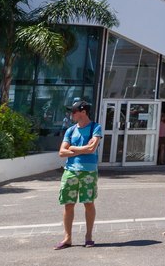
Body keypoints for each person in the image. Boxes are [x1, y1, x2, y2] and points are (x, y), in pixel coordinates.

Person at [55, 100, 102, 250]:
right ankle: (67, 238)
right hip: (70, 171)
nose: (71, 114)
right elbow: (62, 152)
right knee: (68, 205)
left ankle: (88, 237)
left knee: (88, 203)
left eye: (74, 111)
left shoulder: (96, 128)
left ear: (83, 112)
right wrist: (82, 148)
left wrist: (73, 148)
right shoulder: (70, 130)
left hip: (88, 171)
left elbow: (92, 149)